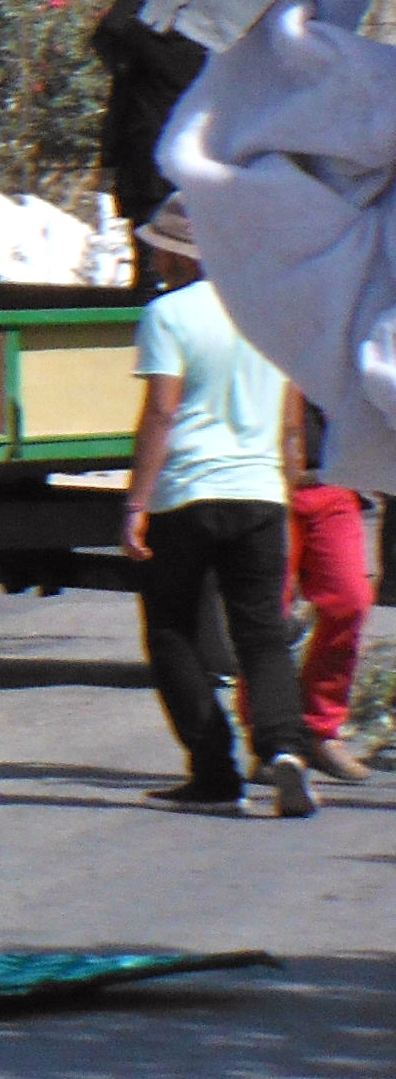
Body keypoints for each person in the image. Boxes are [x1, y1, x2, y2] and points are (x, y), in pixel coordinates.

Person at [122, 199, 319, 818]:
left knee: (173, 630)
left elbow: (162, 412)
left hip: (187, 495)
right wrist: (286, 492)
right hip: (259, 495)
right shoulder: (270, 314)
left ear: (182, 255)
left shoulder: (168, 314)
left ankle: (214, 774)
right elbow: (291, 421)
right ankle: (285, 750)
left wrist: (135, 503)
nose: (154, 257)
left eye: (159, 248)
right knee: (262, 634)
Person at [286, 397, 373, 783]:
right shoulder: (258, 338)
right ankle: (273, 739)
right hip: (269, 486)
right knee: (270, 618)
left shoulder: (331, 341)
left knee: (350, 600)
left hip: (331, 484)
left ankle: (321, 730)